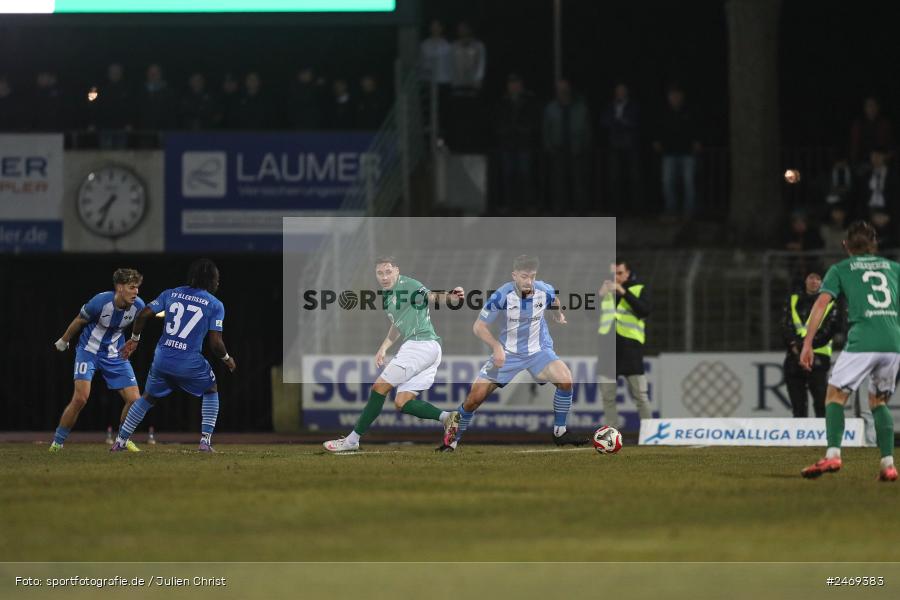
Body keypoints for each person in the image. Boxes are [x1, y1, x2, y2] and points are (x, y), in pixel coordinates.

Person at [436, 254, 582, 452]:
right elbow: (479, 327)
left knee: (566, 380)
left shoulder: (543, 289)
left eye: (532, 276)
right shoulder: (501, 296)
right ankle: (450, 442)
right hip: (508, 354)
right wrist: (497, 347)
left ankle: (560, 432)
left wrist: (557, 314)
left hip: (539, 351)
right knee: (474, 399)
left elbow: (553, 299)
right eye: (524, 276)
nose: (528, 281)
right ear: (514, 275)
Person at [323, 256, 464, 453]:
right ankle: (448, 418)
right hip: (429, 349)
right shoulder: (387, 294)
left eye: (388, 272)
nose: (384, 276)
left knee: (379, 388)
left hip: (419, 345)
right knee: (402, 402)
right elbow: (397, 325)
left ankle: (352, 440)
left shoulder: (408, 285)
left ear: (397, 270)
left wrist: (451, 296)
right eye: (380, 273)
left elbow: (431, 296)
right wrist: (384, 346)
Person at [799, 221, 897, 481]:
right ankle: (888, 464)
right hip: (893, 343)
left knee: (834, 396)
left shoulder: (840, 269)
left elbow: (821, 304)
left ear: (845, 246)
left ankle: (832, 454)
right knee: (878, 402)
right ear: (874, 244)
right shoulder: (895, 269)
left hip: (863, 340)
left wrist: (808, 343)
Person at [115, 259, 236, 452]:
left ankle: (120, 441)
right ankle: (205, 442)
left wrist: (135, 339)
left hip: (162, 358)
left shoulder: (171, 293)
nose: (218, 283)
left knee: (148, 397)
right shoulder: (215, 305)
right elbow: (215, 343)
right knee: (211, 389)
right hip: (188, 361)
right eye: (217, 279)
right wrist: (227, 358)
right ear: (211, 280)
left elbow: (143, 315)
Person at [49, 269, 146, 452]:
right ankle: (57, 443)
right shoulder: (100, 302)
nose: (136, 292)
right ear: (119, 287)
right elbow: (79, 320)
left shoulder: (138, 305)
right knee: (80, 398)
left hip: (115, 354)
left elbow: (140, 322)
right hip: (89, 351)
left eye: (137, 288)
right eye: (132, 288)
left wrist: (134, 340)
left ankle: (122, 441)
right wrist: (64, 340)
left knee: (135, 400)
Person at [596, 259, 652, 428]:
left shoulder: (639, 288)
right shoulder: (605, 291)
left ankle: (650, 434)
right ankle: (611, 434)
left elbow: (645, 310)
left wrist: (623, 292)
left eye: (619, 273)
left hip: (630, 350)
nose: (616, 277)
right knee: (608, 397)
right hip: (607, 350)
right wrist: (599, 295)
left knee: (640, 395)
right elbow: (590, 315)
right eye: (613, 274)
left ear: (627, 273)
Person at [781, 271, 841, 418]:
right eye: (811, 278)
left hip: (818, 359)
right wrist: (796, 347)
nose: (814, 281)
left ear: (822, 282)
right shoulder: (793, 299)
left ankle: (822, 439)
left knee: (821, 404)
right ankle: (801, 440)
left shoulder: (830, 302)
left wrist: (805, 347)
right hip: (794, 358)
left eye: (818, 278)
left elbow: (829, 330)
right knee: (798, 407)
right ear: (805, 280)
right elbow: (785, 325)